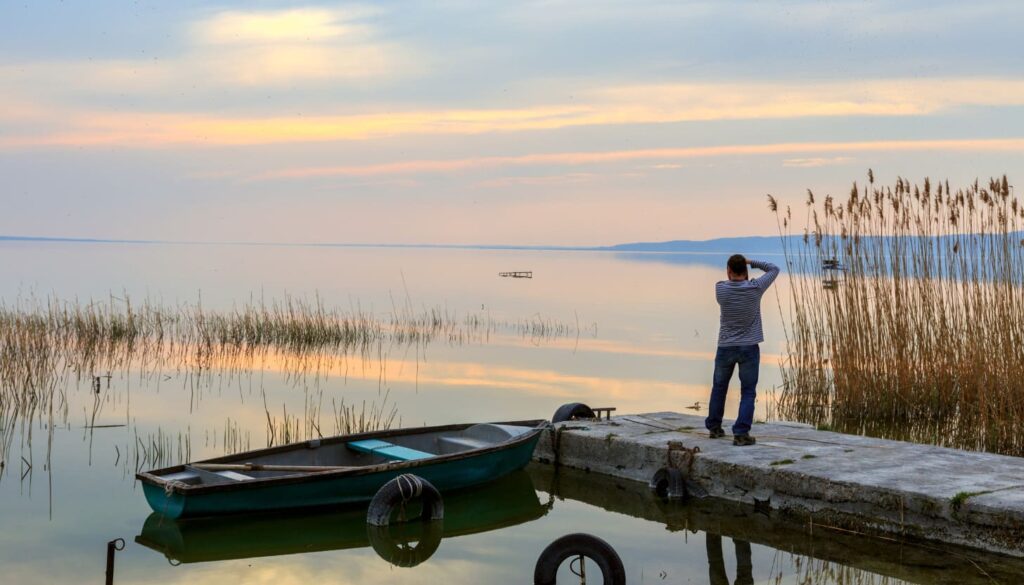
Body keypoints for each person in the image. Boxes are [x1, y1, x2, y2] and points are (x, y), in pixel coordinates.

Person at [705, 254, 780, 446]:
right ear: (745, 272)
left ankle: (714, 428)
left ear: (728, 271)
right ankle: (741, 433)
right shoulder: (755, 288)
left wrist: (739, 268)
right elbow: (773, 269)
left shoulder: (720, 288)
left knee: (719, 388)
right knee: (748, 391)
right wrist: (750, 262)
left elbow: (730, 281)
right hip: (749, 347)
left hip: (725, 347)